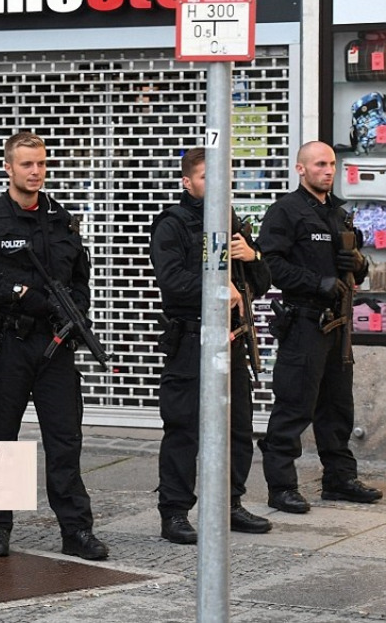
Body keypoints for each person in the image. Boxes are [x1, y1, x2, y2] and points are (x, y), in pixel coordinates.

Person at [0, 131, 107, 561]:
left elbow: (80, 276)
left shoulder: (59, 217)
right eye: (27, 164)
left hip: (55, 345)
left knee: (65, 439)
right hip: (9, 343)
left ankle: (76, 529)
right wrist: (18, 294)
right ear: (9, 168)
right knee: (3, 438)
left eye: (41, 163)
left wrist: (76, 310)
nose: (36, 171)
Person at [149, 147, 272, 544]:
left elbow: (261, 283)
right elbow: (171, 281)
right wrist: (219, 288)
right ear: (188, 182)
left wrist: (252, 256)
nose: (217, 184)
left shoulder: (232, 222)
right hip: (190, 339)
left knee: (237, 428)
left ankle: (229, 504)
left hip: (231, 340)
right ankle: (174, 512)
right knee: (184, 429)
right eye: (206, 177)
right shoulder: (172, 224)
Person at [257, 140, 381, 513]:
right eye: (319, 165)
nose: (328, 171)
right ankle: (281, 487)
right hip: (304, 321)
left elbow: (357, 267)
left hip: (339, 323)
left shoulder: (338, 213)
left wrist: (358, 263)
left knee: (337, 407)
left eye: (331, 164)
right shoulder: (285, 211)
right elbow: (270, 265)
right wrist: (316, 283)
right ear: (301, 169)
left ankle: (339, 480)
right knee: (294, 406)